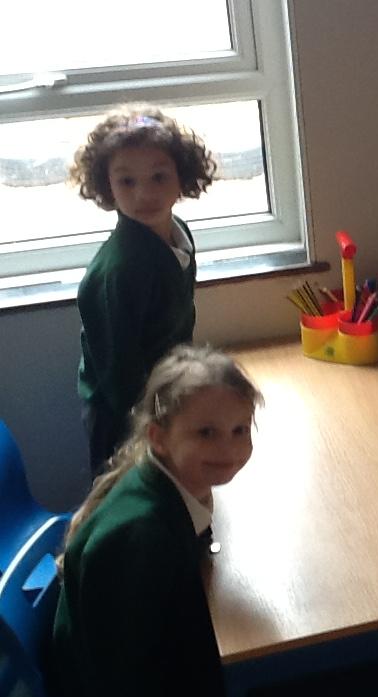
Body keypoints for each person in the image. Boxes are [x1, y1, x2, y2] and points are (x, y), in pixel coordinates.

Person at [52, 345, 263, 697]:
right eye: (206, 433)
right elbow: (130, 682)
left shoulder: (173, 481)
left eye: (239, 430)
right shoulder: (143, 537)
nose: (229, 449)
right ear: (158, 437)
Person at [70, 106, 217, 475]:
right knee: (132, 491)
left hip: (167, 394)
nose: (144, 194)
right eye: (127, 181)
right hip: (124, 413)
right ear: (107, 186)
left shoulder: (177, 233)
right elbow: (120, 375)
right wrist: (156, 424)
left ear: (182, 177)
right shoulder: (119, 270)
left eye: (158, 177)